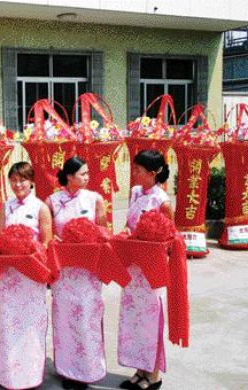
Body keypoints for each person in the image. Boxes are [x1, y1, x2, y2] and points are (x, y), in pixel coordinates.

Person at [45, 157, 108, 390]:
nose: (87, 177)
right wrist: (57, 240)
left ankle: (87, 370)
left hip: (88, 273)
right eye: (83, 174)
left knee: (86, 318)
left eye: (88, 173)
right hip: (64, 273)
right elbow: (47, 233)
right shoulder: (52, 200)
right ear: (69, 177)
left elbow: (103, 232)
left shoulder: (94, 199)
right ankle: (66, 369)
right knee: (64, 319)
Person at [0, 162, 52, 390]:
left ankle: (31, 376)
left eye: (22, 180)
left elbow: (46, 242)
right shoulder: (5, 207)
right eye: (14, 180)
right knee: (8, 324)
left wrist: (29, 252)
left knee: (30, 325)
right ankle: (7, 375)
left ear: (31, 182)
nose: (18, 185)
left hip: (30, 277)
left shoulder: (40, 207)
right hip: (10, 276)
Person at [118, 150, 173, 390]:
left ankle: (153, 375)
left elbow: (170, 237)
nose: (135, 173)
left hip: (151, 271)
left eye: (139, 170)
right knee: (134, 320)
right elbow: (128, 224)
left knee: (152, 322)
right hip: (133, 270)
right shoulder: (135, 192)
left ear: (152, 174)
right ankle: (139, 370)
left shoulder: (162, 201)